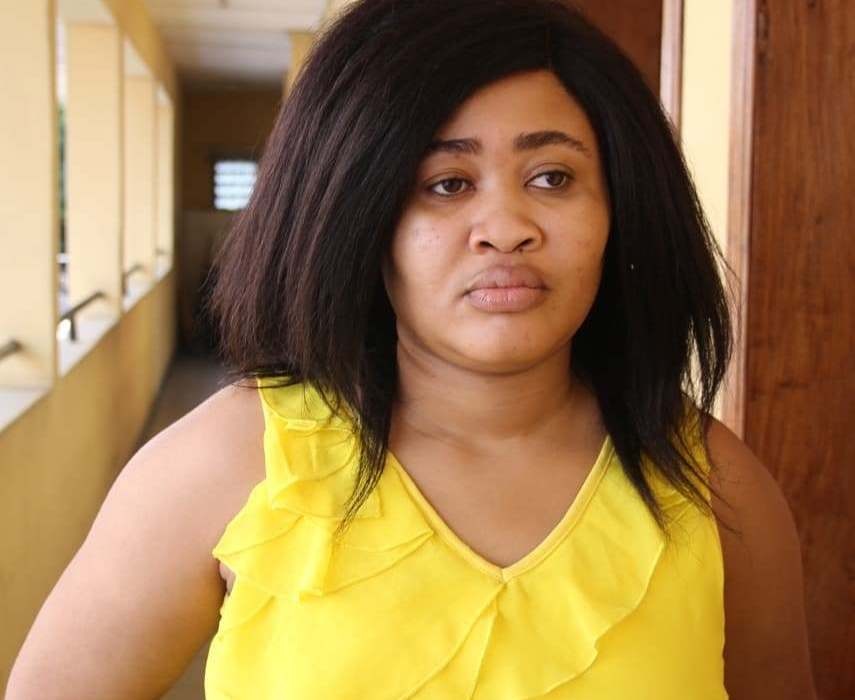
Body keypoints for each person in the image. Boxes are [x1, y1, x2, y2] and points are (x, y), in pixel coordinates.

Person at [7, 0, 817, 698]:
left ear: (621, 212)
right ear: (358, 215)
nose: (505, 228)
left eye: (552, 177)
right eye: (446, 184)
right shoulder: (231, 463)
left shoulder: (717, 490)